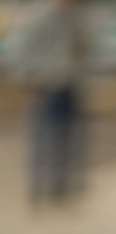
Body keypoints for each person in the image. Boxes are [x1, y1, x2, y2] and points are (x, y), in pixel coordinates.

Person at [8, 0, 90, 202]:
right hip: (46, 83)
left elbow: (83, 48)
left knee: (67, 136)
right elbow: (22, 48)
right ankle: (38, 185)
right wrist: (28, 78)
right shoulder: (39, 15)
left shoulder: (76, 17)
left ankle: (60, 185)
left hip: (69, 81)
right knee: (44, 136)